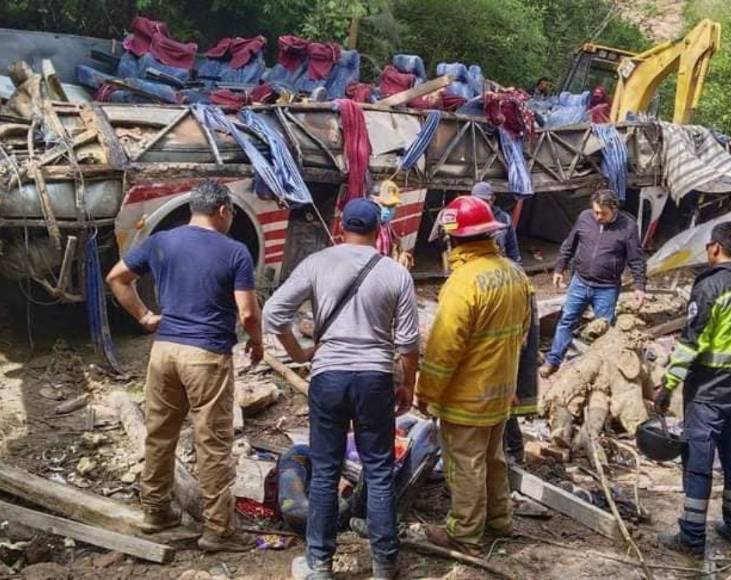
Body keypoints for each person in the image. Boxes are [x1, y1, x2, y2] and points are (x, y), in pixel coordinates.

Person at [262, 198, 420, 580]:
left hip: (329, 377)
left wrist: (299, 352)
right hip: (375, 378)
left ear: (341, 228)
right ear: (379, 232)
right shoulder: (395, 273)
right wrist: (407, 387)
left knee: (326, 469)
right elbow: (410, 344)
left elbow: (272, 314)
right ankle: (384, 564)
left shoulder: (318, 263)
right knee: (379, 470)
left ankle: (319, 565)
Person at [106, 180, 263, 552]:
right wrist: (256, 341)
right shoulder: (235, 251)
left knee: (160, 434)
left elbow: (117, 278)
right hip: (206, 355)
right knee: (213, 442)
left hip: (164, 352)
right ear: (223, 211)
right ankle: (218, 530)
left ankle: (155, 511)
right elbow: (246, 312)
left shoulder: (161, 241)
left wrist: (145, 316)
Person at [416, 195, 531, 556]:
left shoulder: (464, 282)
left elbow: (444, 348)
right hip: (500, 391)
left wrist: (427, 391)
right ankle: (500, 520)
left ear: (454, 239)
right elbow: (523, 335)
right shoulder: (515, 274)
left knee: (466, 464)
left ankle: (465, 534)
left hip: (467, 395)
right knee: (494, 459)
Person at [655, 222, 731, 557]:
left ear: (717, 247)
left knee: (699, 459)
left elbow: (691, 342)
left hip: (707, 387)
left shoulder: (710, 286)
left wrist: (668, 385)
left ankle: (691, 537)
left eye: (708, 246)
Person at [539, 189, 646, 378]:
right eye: (595, 212)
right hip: (579, 282)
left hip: (607, 288)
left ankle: (600, 371)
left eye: (603, 213)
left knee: (604, 330)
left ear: (614, 209)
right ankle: (552, 361)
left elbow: (636, 259)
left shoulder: (628, 227)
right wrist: (559, 268)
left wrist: (639, 286)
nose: (598, 217)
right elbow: (569, 244)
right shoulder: (585, 218)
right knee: (566, 322)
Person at [469, 182, 535, 463]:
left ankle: (511, 452)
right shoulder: (507, 283)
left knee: (503, 403)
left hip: (499, 363)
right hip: (503, 359)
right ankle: (506, 453)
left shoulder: (482, 282)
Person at [470, 181, 522, 263]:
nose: (481, 204)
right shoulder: (466, 219)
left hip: (497, 264)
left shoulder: (504, 219)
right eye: (477, 200)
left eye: (485, 201)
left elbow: (512, 248)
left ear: (492, 199)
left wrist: (517, 266)